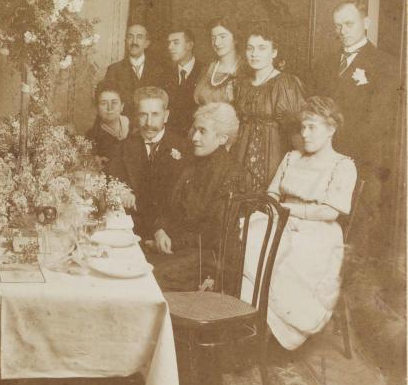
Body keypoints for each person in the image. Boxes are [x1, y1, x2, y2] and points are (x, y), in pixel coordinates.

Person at [241, 96, 357, 350]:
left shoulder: (342, 165)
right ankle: (252, 323)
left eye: (312, 127)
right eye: (303, 127)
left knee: (277, 255)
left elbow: (330, 212)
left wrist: (289, 211)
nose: (305, 134)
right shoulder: (292, 157)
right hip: (282, 218)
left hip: (319, 232)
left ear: (331, 129)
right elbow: (272, 193)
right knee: (247, 237)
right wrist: (275, 212)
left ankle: (274, 329)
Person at [310, 1, 399, 256]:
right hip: (324, 159)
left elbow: (378, 121)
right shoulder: (324, 64)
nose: (343, 31)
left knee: (355, 234)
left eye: (349, 23)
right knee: (324, 229)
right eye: (338, 25)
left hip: (362, 161)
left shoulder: (385, 65)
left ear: (366, 23)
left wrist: (339, 152)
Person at [149, 103, 249, 291]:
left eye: (203, 131)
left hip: (211, 260)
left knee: (149, 276)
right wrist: (160, 229)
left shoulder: (233, 175)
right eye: (195, 129)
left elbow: (214, 233)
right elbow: (169, 207)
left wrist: (173, 241)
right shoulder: (192, 163)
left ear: (222, 138)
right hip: (183, 248)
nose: (194, 137)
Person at [108, 86, 187, 240]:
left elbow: (182, 203)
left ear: (166, 116)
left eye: (155, 114)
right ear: (136, 116)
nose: (149, 122)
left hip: (169, 234)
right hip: (133, 231)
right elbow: (112, 177)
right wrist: (121, 190)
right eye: (143, 115)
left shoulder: (183, 148)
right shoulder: (123, 147)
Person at [233, 32, 307, 191]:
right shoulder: (242, 84)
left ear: (274, 52)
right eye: (250, 48)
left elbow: (296, 131)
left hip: (272, 157)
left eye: (262, 48)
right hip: (241, 154)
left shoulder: (285, 83)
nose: (254, 54)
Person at [103, 24, 164, 119]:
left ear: (147, 43)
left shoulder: (159, 70)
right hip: (124, 128)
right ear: (125, 41)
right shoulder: (114, 70)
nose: (134, 42)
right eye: (130, 37)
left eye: (139, 37)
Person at [161, 28, 205, 138]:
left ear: (190, 45)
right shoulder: (164, 73)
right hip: (169, 136)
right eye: (169, 43)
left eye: (176, 43)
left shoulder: (205, 72)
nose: (170, 47)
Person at [194, 16, 240, 105]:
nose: (216, 43)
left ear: (235, 39)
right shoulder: (206, 70)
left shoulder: (244, 71)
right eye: (213, 38)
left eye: (222, 36)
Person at [85, 81, 130, 163]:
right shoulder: (92, 137)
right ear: (97, 108)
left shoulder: (135, 128)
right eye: (104, 103)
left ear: (122, 106)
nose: (110, 108)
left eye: (114, 102)